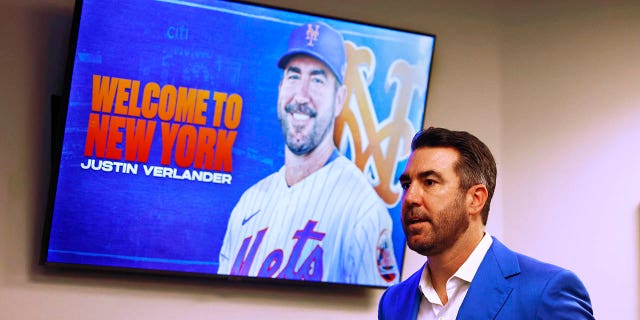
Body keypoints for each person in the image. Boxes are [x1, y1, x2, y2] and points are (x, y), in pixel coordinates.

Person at [218, 21, 399, 287]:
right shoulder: (248, 204)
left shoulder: (363, 212)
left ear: (339, 100)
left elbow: (379, 309)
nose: (301, 95)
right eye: (294, 76)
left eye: (317, 79)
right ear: (280, 88)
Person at [378, 127, 594, 319]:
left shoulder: (545, 291)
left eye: (430, 182)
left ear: (475, 199)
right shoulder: (393, 303)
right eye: (407, 185)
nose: (410, 198)